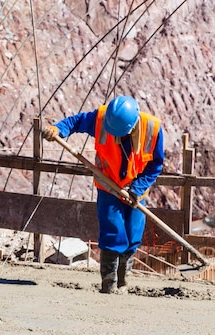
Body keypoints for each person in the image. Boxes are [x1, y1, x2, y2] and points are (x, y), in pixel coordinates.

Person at [42, 95, 165, 293]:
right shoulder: (101, 118)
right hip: (108, 187)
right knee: (112, 232)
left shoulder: (153, 129)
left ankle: (123, 282)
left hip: (136, 191)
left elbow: (154, 165)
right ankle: (109, 284)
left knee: (133, 234)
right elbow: (76, 122)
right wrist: (59, 129)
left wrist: (137, 189)